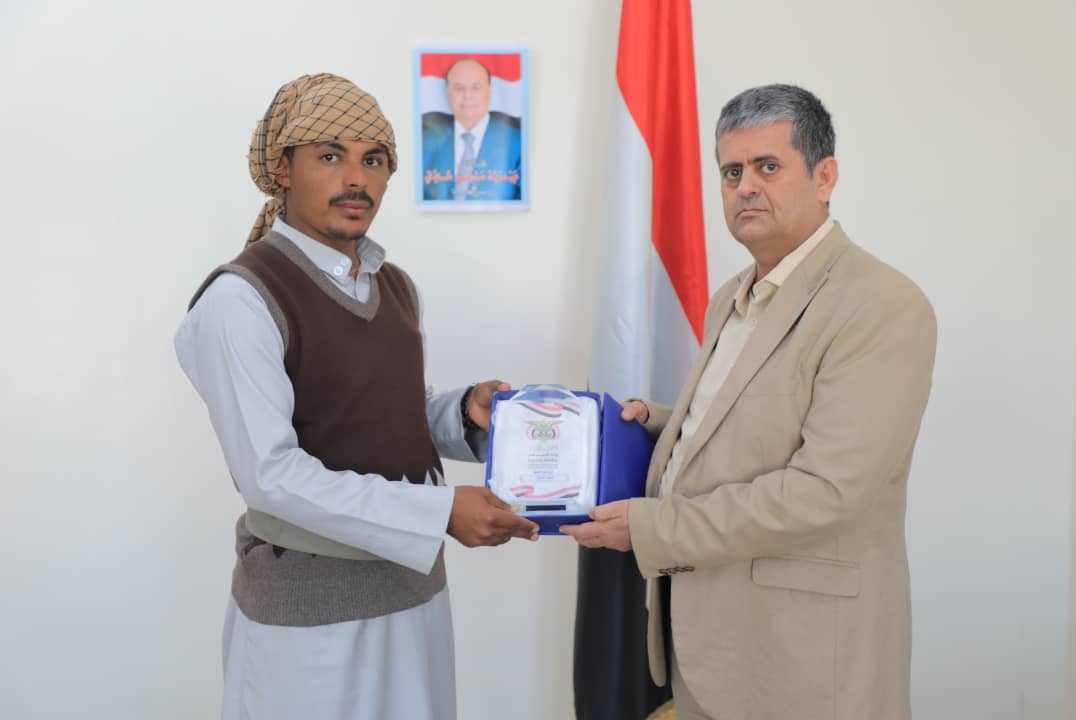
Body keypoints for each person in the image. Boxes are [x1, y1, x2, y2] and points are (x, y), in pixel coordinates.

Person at [561, 84, 937, 720]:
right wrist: (654, 426)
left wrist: (652, 528)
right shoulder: (733, 295)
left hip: (806, 661)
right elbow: (746, 420)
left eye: (768, 167)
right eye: (732, 171)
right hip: (711, 651)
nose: (745, 188)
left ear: (825, 177)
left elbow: (825, 491)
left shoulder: (881, 304)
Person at [175, 73, 538, 720]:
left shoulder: (394, 285)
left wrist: (463, 413)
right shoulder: (241, 299)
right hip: (308, 627)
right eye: (330, 156)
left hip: (416, 599)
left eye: (373, 160)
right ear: (282, 169)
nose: (356, 179)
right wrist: (439, 512)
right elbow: (272, 476)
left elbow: (381, 413)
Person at [421, 57, 522, 201]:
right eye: (459, 88)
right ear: (447, 91)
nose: (467, 96)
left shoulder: (517, 143)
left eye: (476, 87)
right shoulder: (426, 142)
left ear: (490, 91)